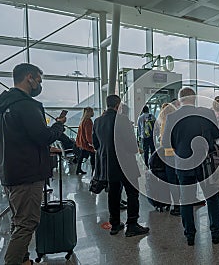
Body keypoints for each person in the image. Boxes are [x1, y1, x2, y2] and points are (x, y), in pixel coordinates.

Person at [0, 63, 65, 265]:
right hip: (27, 174)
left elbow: (21, 138)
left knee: (18, 221)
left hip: (10, 171)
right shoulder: (26, 105)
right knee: (27, 224)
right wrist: (59, 125)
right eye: (39, 81)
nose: (39, 85)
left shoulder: (5, 105)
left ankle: (24, 259)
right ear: (29, 78)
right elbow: (43, 136)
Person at [162, 87, 219, 246]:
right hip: (204, 162)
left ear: (179, 100)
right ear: (194, 98)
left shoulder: (172, 116)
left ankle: (190, 235)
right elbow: (217, 135)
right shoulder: (207, 113)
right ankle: (216, 233)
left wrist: (180, 148)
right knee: (212, 197)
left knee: (186, 200)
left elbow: (165, 143)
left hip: (183, 163)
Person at [93, 95, 149, 237]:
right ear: (118, 105)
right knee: (132, 193)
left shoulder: (98, 121)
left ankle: (115, 224)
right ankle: (132, 225)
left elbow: (96, 145)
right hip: (126, 164)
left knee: (113, 194)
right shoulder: (123, 120)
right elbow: (132, 146)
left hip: (109, 165)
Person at [158, 102, 180, 216]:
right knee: (179, 179)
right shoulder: (178, 121)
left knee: (172, 180)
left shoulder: (164, 123)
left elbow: (163, 142)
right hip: (179, 154)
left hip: (169, 155)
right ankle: (182, 203)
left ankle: (176, 205)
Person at [76, 107, 95, 175]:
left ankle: (78, 169)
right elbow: (89, 134)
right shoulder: (88, 121)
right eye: (92, 111)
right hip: (86, 144)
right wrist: (92, 143)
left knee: (81, 157)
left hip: (81, 143)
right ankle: (93, 172)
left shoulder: (83, 121)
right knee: (93, 157)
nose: (93, 113)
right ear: (89, 112)